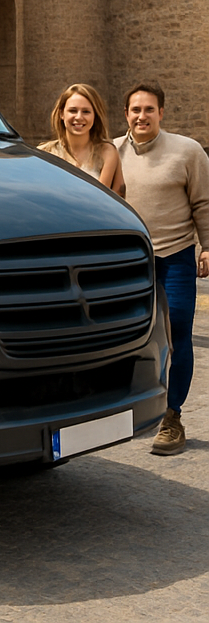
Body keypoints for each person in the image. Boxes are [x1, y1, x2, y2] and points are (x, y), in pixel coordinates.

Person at [115, 82, 209, 456]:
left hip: (176, 256)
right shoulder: (112, 151)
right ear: (126, 114)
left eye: (149, 109)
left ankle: (173, 417)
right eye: (135, 110)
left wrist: (208, 246)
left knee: (178, 333)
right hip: (129, 260)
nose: (142, 116)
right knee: (125, 335)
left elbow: (204, 203)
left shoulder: (187, 151)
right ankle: (126, 410)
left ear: (161, 113)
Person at [38, 83, 125, 195]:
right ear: (61, 114)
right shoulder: (44, 153)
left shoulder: (107, 152)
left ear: (95, 115)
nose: (79, 117)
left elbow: (100, 197)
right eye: (73, 110)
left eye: (86, 111)